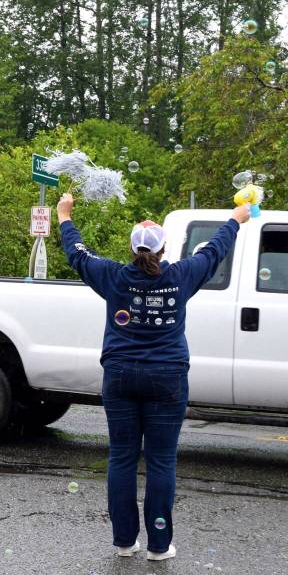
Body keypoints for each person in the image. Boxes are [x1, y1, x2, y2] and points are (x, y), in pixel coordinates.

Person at [57, 192, 250, 561]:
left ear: (133, 250)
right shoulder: (181, 275)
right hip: (168, 377)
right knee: (161, 461)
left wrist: (65, 216)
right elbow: (213, 250)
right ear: (163, 250)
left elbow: (78, 254)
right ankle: (159, 547)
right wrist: (235, 219)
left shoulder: (113, 276)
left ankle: (125, 543)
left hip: (120, 376)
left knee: (122, 458)